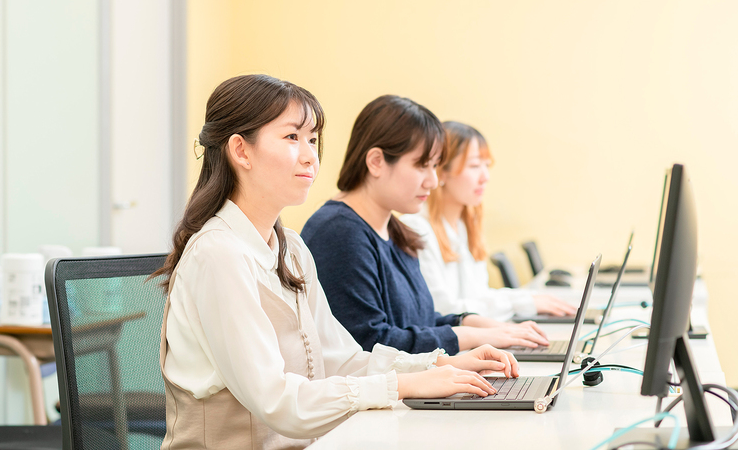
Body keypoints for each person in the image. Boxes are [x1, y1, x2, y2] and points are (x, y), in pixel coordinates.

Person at [151, 76, 520, 450]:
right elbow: (277, 401)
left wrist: (437, 365)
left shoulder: (290, 248)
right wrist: (403, 385)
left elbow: (340, 360)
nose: (310, 156)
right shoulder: (218, 254)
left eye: (312, 140)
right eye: (292, 137)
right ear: (241, 151)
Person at [302, 95, 549, 358]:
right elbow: (370, 344)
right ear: (376, 162)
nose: (432, 181)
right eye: (422, 166)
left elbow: (421, 320)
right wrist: (471, 336)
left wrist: (478, 324)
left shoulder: (397, 231)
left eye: (435, 166)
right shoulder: (339, 232)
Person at [400, 121, 577, 321]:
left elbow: (478, 297)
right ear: (441, 171)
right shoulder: (416, 228)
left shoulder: (463, 226)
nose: (485, 177)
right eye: (475, 166)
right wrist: (521, 303)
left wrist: (529, 299)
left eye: (487, 166)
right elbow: (443, 310)